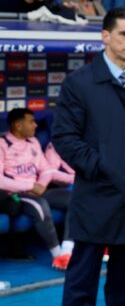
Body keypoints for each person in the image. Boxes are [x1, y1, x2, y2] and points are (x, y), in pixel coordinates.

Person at [54, 9, 125, 306]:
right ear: (105, 36)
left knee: (121, 289)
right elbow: (64, 137)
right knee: (81, 287)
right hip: (96, 197)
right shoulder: (79, 82)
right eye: (124, 34)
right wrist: (102, 167)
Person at [0, 108, 74, 270]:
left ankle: (67, 251)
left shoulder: (33, 142)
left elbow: (46, 169)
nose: (35, 125)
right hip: (16, 194)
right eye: (31, 122)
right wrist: (30, 186)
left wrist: (39, 186)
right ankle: (57, 256)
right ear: (18, 126)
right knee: (40, 206)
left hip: (38, 189)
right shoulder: (2, 144)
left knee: (75, 200)